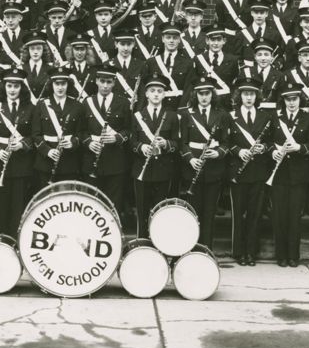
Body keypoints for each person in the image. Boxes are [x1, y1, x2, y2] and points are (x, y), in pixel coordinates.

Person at [179, 76, 233, 250]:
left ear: (212, 94)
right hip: (193, 167)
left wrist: (217, 153)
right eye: (201, 93)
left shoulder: (222, 114)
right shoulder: (187, 114)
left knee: (209, 212)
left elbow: (226, 142)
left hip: (213, 169)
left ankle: (206, 249)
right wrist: (190, 159)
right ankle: (191, 248)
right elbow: (182, 143)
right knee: (193, 212)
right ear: (196, 95)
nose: (204, 97)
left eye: (207, 93)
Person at [0, 69, 36, 236]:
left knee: (17, 207)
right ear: (4, 87)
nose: (12, 90)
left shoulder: (31, 108)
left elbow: (35, 137)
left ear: (22, 88)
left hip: (20, 165)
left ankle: (14, 241)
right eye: (9, 86)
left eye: (16, 86)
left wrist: (23, 145)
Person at [268, 79, 309, 266]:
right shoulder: (274, 118)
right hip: (278, 174)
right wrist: (274, 150)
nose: (291, 102)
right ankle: (281, 255)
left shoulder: (308, 119)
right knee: (279, 215)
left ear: (300, 99)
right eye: (288, 99)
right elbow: (267, 140)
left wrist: (299, 148)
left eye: (294, 98)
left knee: (295, 215)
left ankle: (293, 255)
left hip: (298, 175)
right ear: (283, 100)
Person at [228, 78, 274, 265]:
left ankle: (251, 252)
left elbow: (272, 142)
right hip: (238, 171)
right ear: (240, 96)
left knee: (255, 213)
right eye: (245, 94)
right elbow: (226, 142)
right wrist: (239, 151)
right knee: (239, 212)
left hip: (258, 171)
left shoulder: (265, 117)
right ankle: (239, 251)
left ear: (257, 96)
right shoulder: (231, 116)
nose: (249, 97)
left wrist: (263, 148)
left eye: (252, 94)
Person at [80, 64, 131, 217]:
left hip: (115, 162)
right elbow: (80, 131)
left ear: (114, 83)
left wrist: (116, 138)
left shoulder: (123, 103)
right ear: (96, 81)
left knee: (112, 205)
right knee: (91, 204)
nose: (105, 85)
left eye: (109, 82)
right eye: (102, 81)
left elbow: (129, 130)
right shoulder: (87, 102)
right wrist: (89, 142)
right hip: (91, 160)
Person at [130, 75, 177, 239]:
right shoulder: (137, 115)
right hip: (141, 168)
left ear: (164, 94)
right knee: (142, 209)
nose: (156, 94)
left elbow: (177, 143)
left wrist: (166, 143)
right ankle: (142, 241)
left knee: (161, 210)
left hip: (163, 169)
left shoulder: (171, 116)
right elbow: (131, 141)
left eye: (160, 91)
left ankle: (159, 241)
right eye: (152, 91)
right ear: (147, 94)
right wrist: (141, 147)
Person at [31, 69, 83, 190]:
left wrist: (73, 143)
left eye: (63, 84)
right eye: (57, 84)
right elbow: (35, 134)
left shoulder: (77, 106)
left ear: (68, 85)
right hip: (45, 162)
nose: (60, 87)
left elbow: (81, 133)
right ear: (51, 85)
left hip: (69, 162)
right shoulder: (41, 105)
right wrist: (47, 151)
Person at [146, 24, 192, 110]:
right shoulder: (152, 62)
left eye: (175, 38)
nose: (171, 41)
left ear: (179, 40)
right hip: (156, 107)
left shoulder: (187, 63)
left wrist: (181, 109)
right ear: (163, 39)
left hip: (178, 106)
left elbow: (188, 89)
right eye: (168, 37)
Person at [194, 27, 239, 110]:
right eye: (213, 40)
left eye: (219, 40)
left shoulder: (233, 60)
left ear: (224, 41)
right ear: (207, 41)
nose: (216, 43)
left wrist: (232, 100)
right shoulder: (199, 59)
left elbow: (235, 84)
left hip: (225, 104)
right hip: (205, 104)